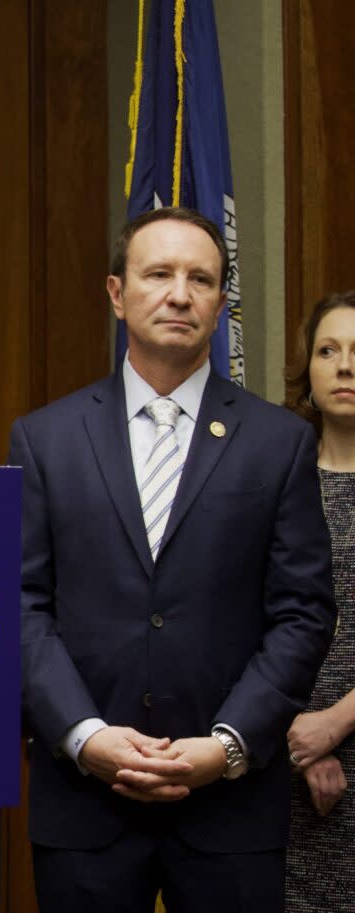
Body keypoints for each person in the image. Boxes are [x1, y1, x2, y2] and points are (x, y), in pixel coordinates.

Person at [9, 207, 335, 913]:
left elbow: (303, 612)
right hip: (84, 807)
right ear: (117, 292)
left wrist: (227, 745)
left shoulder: (278, 443)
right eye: (158, 274)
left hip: (231, 809)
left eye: (201, 279)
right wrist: (84, 734)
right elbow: (20, 605)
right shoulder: (45, 438)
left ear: (221, 303)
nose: (180, 293)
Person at [283, 291, 355, 912]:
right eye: (328, 350)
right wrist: (300, 735)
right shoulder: (273, 474)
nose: (344, 366)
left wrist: (336, 723)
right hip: (282, 752)